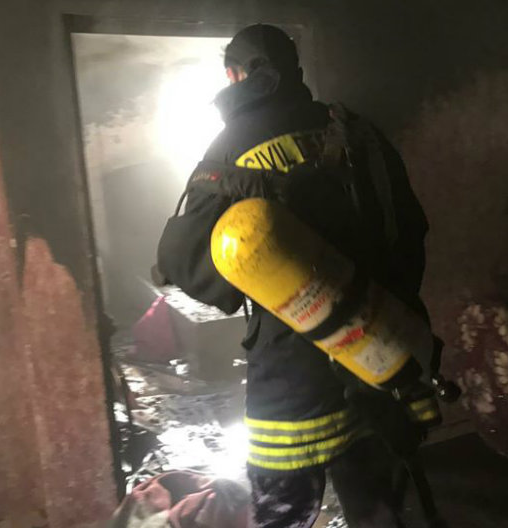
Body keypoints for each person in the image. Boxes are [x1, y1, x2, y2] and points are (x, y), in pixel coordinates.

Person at [156, 24, 439, 528]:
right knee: (379, 510)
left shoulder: (229, 150)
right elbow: (409, 229)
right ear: (295, 70)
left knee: (283, 516)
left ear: (234, 76)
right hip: (378, 355)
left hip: (290, 380)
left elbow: (189, 264)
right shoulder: (356, 131)